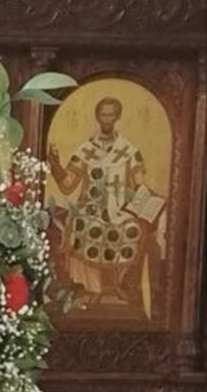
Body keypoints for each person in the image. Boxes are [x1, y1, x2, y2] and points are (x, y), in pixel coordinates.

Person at [48, 95, 161, 312]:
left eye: (110, 115)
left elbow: (140, 186)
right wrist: (55, 165)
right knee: (84, 224)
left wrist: (139, 208)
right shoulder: (86, 150)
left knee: (131, 228)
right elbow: (67, 185)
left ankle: (117, 287)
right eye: (103, 115)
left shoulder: (128, 150)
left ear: (117, 117)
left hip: (121, 208)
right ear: (97, 117)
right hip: (89, 207)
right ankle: (89, 289)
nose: (107, 119)